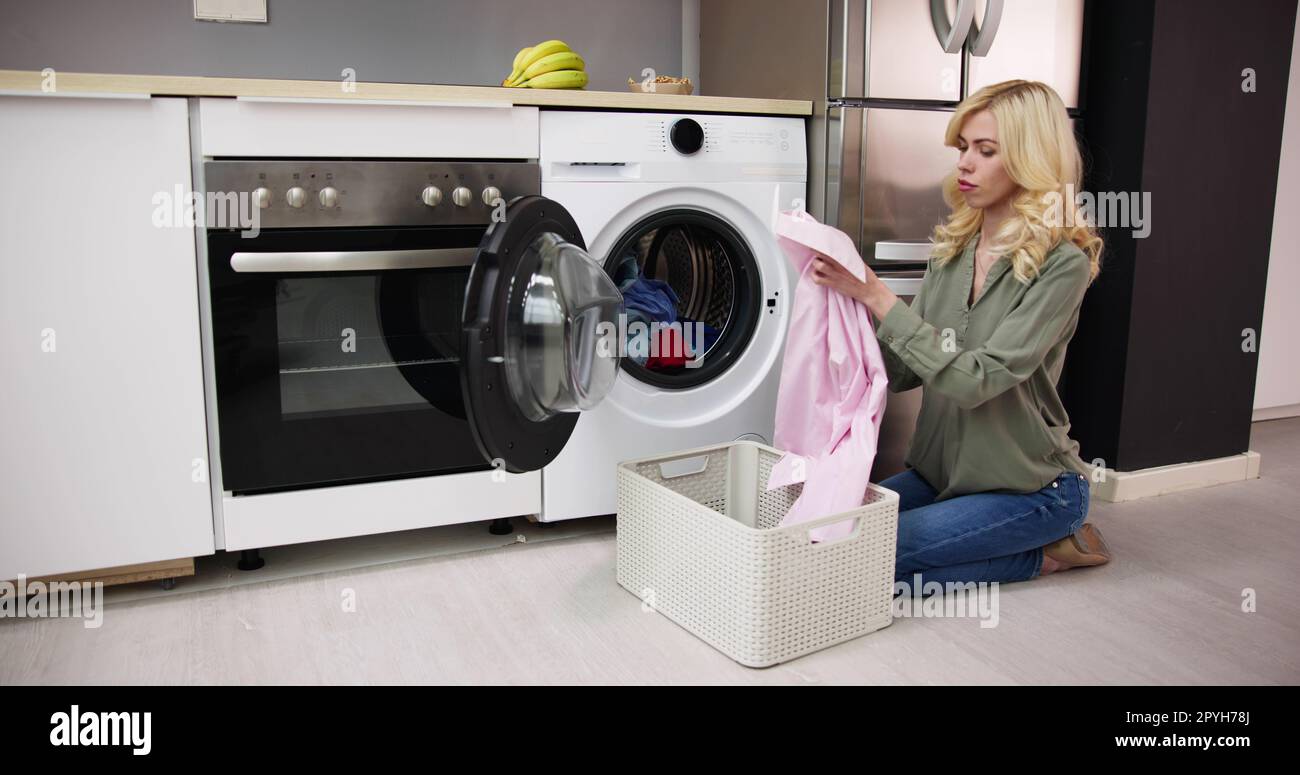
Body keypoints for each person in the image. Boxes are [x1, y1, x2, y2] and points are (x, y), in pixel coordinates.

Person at [810, 80, 1111, 587]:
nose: (965, 164)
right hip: (941, 478)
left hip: (1030, 488)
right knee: (826, 537)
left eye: (986, 151)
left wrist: (880, 298)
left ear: (1030, 159)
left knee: (868, 561)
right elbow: (903, 370)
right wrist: (837, 324)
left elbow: (977, 381)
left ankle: (1047, 554)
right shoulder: (953, 251)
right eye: (963, 148)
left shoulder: (1063, 265)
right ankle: (998, 541)